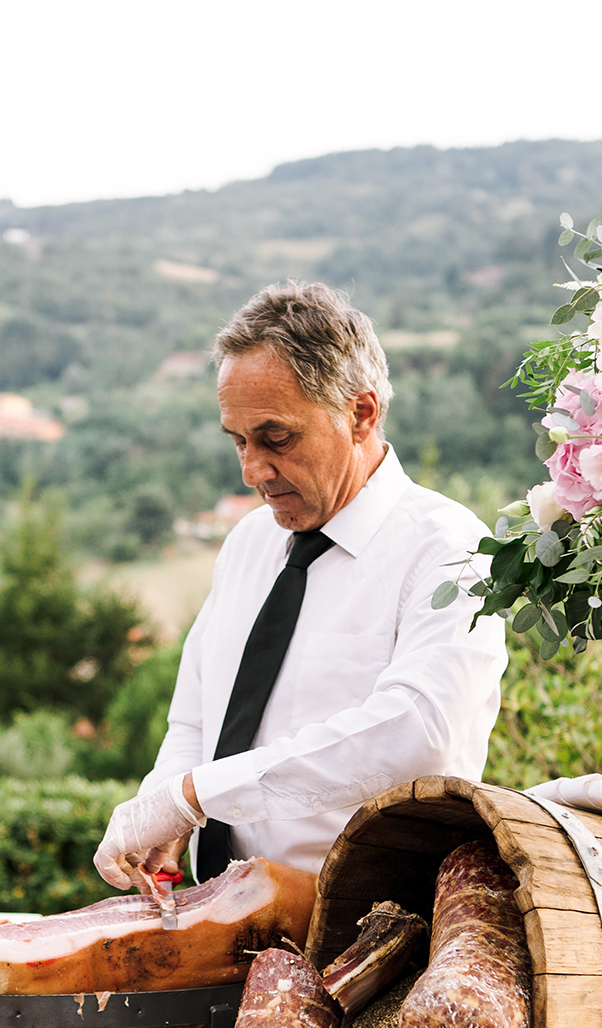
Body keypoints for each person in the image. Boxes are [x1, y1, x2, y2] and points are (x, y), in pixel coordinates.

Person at [92, 281, 509, 889]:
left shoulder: (449, 550)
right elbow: (194, 722)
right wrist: (165, 807)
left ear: (361, 414)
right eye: (238, 441)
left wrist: (197, 794)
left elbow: (420, 736)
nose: (252, 470)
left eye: (276, 438)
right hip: (219, 917)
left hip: (370, 932)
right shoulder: (248, 545)